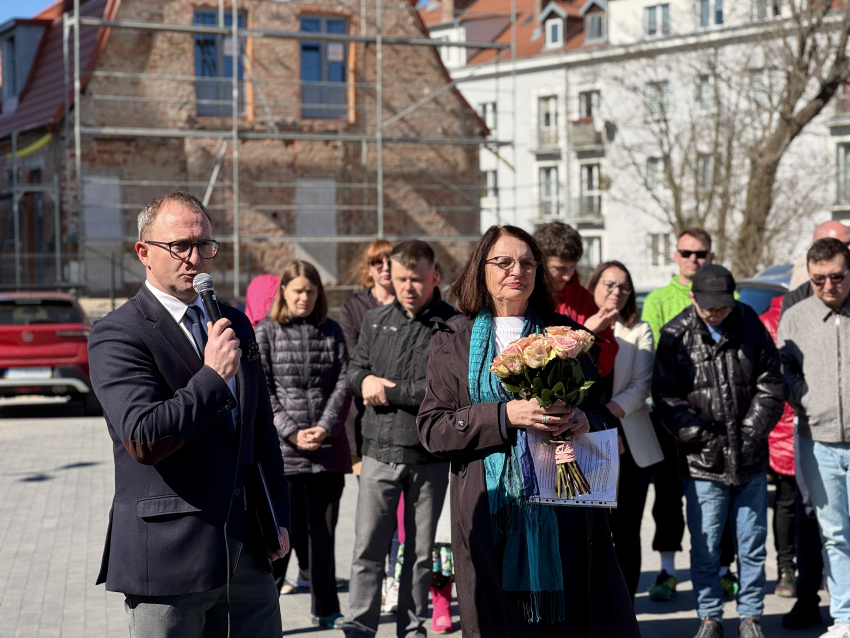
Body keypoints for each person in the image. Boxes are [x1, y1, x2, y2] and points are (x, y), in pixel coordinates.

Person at [417, 225, 640, 637]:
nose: (515, 270)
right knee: (497, 623)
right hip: (488, 511)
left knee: (565, 622)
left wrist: (583, 420)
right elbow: (433, 430)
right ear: (480, 270)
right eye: (502, 261)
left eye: (526, 262)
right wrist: (505, 416)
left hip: (564, 509)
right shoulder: (453, 339)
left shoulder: (566, 336)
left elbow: (604, 413)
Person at [88, 192, 291, 637]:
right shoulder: (118, 334)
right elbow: (143, 436)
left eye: (204, 245)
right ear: (143, 252)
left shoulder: (234, 323)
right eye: (179, 246)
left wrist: (277, 514)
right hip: (167, 559)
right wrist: (212, 377)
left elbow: (260, 430)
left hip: (248, 553)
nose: (195, 258)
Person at [653, 264, 784, 638]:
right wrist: (700, 435)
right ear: (693, 298)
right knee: (706, 544)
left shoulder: (749, 324)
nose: (717, 313)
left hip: (750, 457)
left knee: (752, 543)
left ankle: (751, 614)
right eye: (710, 307)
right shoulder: (675, 334)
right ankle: (709, 614)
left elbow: (771, 383)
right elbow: (664, 397)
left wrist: (750, 431)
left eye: (723, 306)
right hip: (702, 461)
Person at [342, 240, 457, 638]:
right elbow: (354, 371)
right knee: (367, 550)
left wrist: (389, 392)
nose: (408, 287)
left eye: (418, 279)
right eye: (402, 278)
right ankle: (359, 625)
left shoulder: (452, 325)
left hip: (429, 455)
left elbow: (443, 390)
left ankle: (412, 626)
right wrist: (366, 380)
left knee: (420, 554)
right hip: (377, 450)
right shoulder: (375, 320)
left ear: (435, 278)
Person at [641, 227, 737, 601]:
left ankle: (726, 568)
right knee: (667, 497)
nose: (693, 259)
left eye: (701, 254)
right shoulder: (659, 299)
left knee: (722, 490)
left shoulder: (730, 295)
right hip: (669, 416)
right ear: (675, 255)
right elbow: (652, 360)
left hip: (716, 416)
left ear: (711, 257)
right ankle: (667, 570)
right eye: (687, 252)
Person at [255, 260, 351, 628]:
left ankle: (326, 608)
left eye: (311, 291)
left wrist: (325, 428)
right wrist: (292, 432)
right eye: (297, 290)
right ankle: (265, 612)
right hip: (283, 454)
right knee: (280, 539)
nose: (304, 298)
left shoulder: (332, 331)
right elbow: (263, 390)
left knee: (324, 537)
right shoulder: (266, 333)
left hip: (327, 451)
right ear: (284, 292)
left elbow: (343, 384)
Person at [779, 238, 850, 638]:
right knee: (834, 532)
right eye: (819, 278)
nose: (828, 285)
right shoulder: (796, 314)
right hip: (816, 439)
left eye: (837, 276)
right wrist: (804, 396)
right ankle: (845, 616)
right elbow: (783, 368)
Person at [587, 260, 663, 602]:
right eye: (608, 284)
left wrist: (602, 416)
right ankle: (596, 607)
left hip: (629, 441)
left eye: (623, 287)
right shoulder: (579, 326)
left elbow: (639, 387)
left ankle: (626, 610)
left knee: (627, 531)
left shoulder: (639, 329)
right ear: (594, 286)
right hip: (587, 440)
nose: (616, 292)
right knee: (593, 532)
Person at [532, 221, 619, 378]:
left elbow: (605, 365)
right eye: (560, 268)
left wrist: (589, 337)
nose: (568, 275)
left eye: (572, 267)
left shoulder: (584, 299)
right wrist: (583, 334)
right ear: (540, 263)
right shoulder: (526, 299)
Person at [759, 295, 798, 599]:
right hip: (779, 425)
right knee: (787, 502)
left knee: (806, 506)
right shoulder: (767, 322)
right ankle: (787, 568)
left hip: (803, 423)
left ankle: (802, 569)